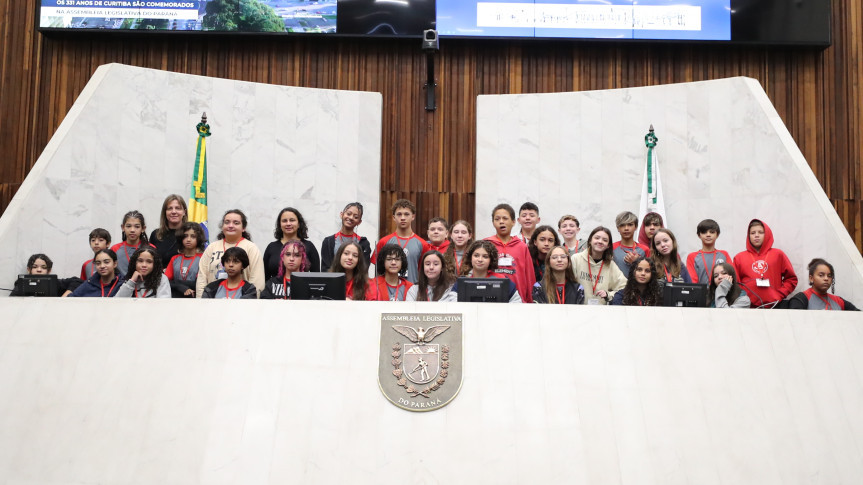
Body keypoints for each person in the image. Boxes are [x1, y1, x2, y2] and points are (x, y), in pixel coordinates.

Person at [196, 209, 265, 297]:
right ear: (222, 226)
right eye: (227, 222)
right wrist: (201, 303)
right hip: (212, 304)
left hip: (242, 303)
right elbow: (202, 278)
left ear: (243, 228)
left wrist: (250, 304)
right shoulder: (211, 248)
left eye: (236, 223)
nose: (230, 226)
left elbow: (257, 281)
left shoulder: (251, 248)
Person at [733, 219, 798, 308]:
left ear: (767, 234)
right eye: (753, 233)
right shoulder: (739, 257)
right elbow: (736, 283)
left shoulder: (778, 254)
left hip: (774, 306)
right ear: (748, 236)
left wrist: (779, 294)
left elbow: (791, 279)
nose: (756, 235)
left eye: (760, 232)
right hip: (747, 307)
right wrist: (743, 298)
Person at [485, 203, 535, 302]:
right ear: (493, 222)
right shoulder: (486, 244)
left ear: (513, 222)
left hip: (517, 300)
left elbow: (529, 277)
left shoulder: (522, 247)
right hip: (490, 298)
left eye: (505, 218)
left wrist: (530, 302)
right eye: (497, 219)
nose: (501, 222)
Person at [373, 199, 430, 284]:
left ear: (413, 217)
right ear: (393, 217)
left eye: (406, 214)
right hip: (387, 290)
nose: (403, 218)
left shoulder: (422, 244)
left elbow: (425, 270)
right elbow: (378, 270)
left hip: (412, 290)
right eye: (399, 214)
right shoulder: (384, 242)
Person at [571, 226, 626, 305]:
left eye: (605, 240)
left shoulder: (610, 265)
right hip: (577, 309)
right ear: (590, 240)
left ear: (608, 245)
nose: (600, 241)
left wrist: (608, 295)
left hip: (601, 312)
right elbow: (567, 285)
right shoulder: (576, 259)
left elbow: (624, 287)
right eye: (597, 238)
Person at [453, 240, 521, 302]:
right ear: (470, 258)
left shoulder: (502, 281)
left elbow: (517, 304)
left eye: (485, 257)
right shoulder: (461, 283)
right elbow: (452, 305)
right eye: (476, 255)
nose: (480, 259)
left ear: (491, 260)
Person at [263, 207, 320, 280]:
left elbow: (316, 277)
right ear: (280, 225)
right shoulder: (271, 247)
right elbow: (265, 277)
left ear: (299, 224)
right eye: (284, 221)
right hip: (275, 290)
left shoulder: (309, 246)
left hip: (302, 289)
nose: (288, 223)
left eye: (292, 220)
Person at [789, 258, 858, 310]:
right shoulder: (801, 299)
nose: (826, 278)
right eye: (821, 275)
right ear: (811, 278)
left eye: (829, 276)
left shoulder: (839, 301)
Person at [320, 202, 372, 271]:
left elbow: (363, 269)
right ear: (341, 215)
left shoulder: (363, 243)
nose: (351, 218)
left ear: (359, 222)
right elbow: (325, 269)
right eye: (348, 214)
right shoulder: (328, 242)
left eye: (356, 217)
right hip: (334, 280)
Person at [686, 219, 733, 284]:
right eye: (704, 232)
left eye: (712, 232)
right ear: (699, 235)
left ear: (717, 235)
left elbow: (731, 276)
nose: (708, 235)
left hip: (722, 292)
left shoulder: (724, 254)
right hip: (701, 293)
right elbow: (692, 281)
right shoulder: (692, 257)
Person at [165, 222, 205, 298]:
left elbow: (200, 282)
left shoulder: (203, 259)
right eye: (185, 236)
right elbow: (165, 281)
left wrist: (177, 283)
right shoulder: (175, 259)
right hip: (175, 297)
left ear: (198, 238)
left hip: (195, 297)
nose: (188, 239)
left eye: (193, 236)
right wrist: (180, 287)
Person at [10, 254, 81, 297]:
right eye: (35, 267)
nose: (39, 270)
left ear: (49, 270)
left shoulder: (55, 283)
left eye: (43, 267)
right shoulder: (21, 283)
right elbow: (11, 300)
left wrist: (63, 299)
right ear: (29, 269)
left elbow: (77, 281)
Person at [111, 210, 154, 276]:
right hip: (121, 285)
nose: (132, 230)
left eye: (137, 226)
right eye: (128, 226)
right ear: (123, 227)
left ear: (143, 228)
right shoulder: (115, 249)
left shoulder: (151, 248)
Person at [149, 194, 189, 265]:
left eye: (178, 208)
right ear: (165, 212)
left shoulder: (190, 235)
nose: (173, 212)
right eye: (170, 208)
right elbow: (149, 261)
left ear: (184, 212)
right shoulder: (156, 235)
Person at [612, 211, 650, 277]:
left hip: (638, 286)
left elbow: (649, 273)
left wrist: (637, 262)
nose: (626, 228)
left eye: (630, 224)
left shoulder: (645, 249)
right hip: (616, 287)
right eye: (622, 225)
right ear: (618, 228)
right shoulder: (611, 248)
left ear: (636, 227)